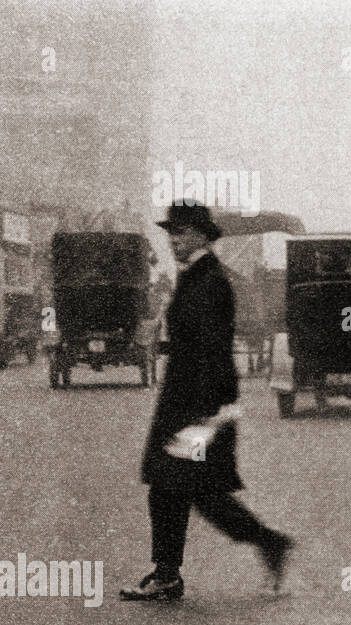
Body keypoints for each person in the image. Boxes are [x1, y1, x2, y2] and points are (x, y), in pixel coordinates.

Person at [121, 201, 293, 601]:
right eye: (171, 233)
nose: (173, 240)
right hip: (190, 405)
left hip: (199, 409)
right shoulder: (196, 275)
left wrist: (208, 419)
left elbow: (211, 351)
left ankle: (262, 544)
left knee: (187, 488)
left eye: (180, 233)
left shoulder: (209, 279)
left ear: (201, 235)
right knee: (184, 488)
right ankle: (174, 570)